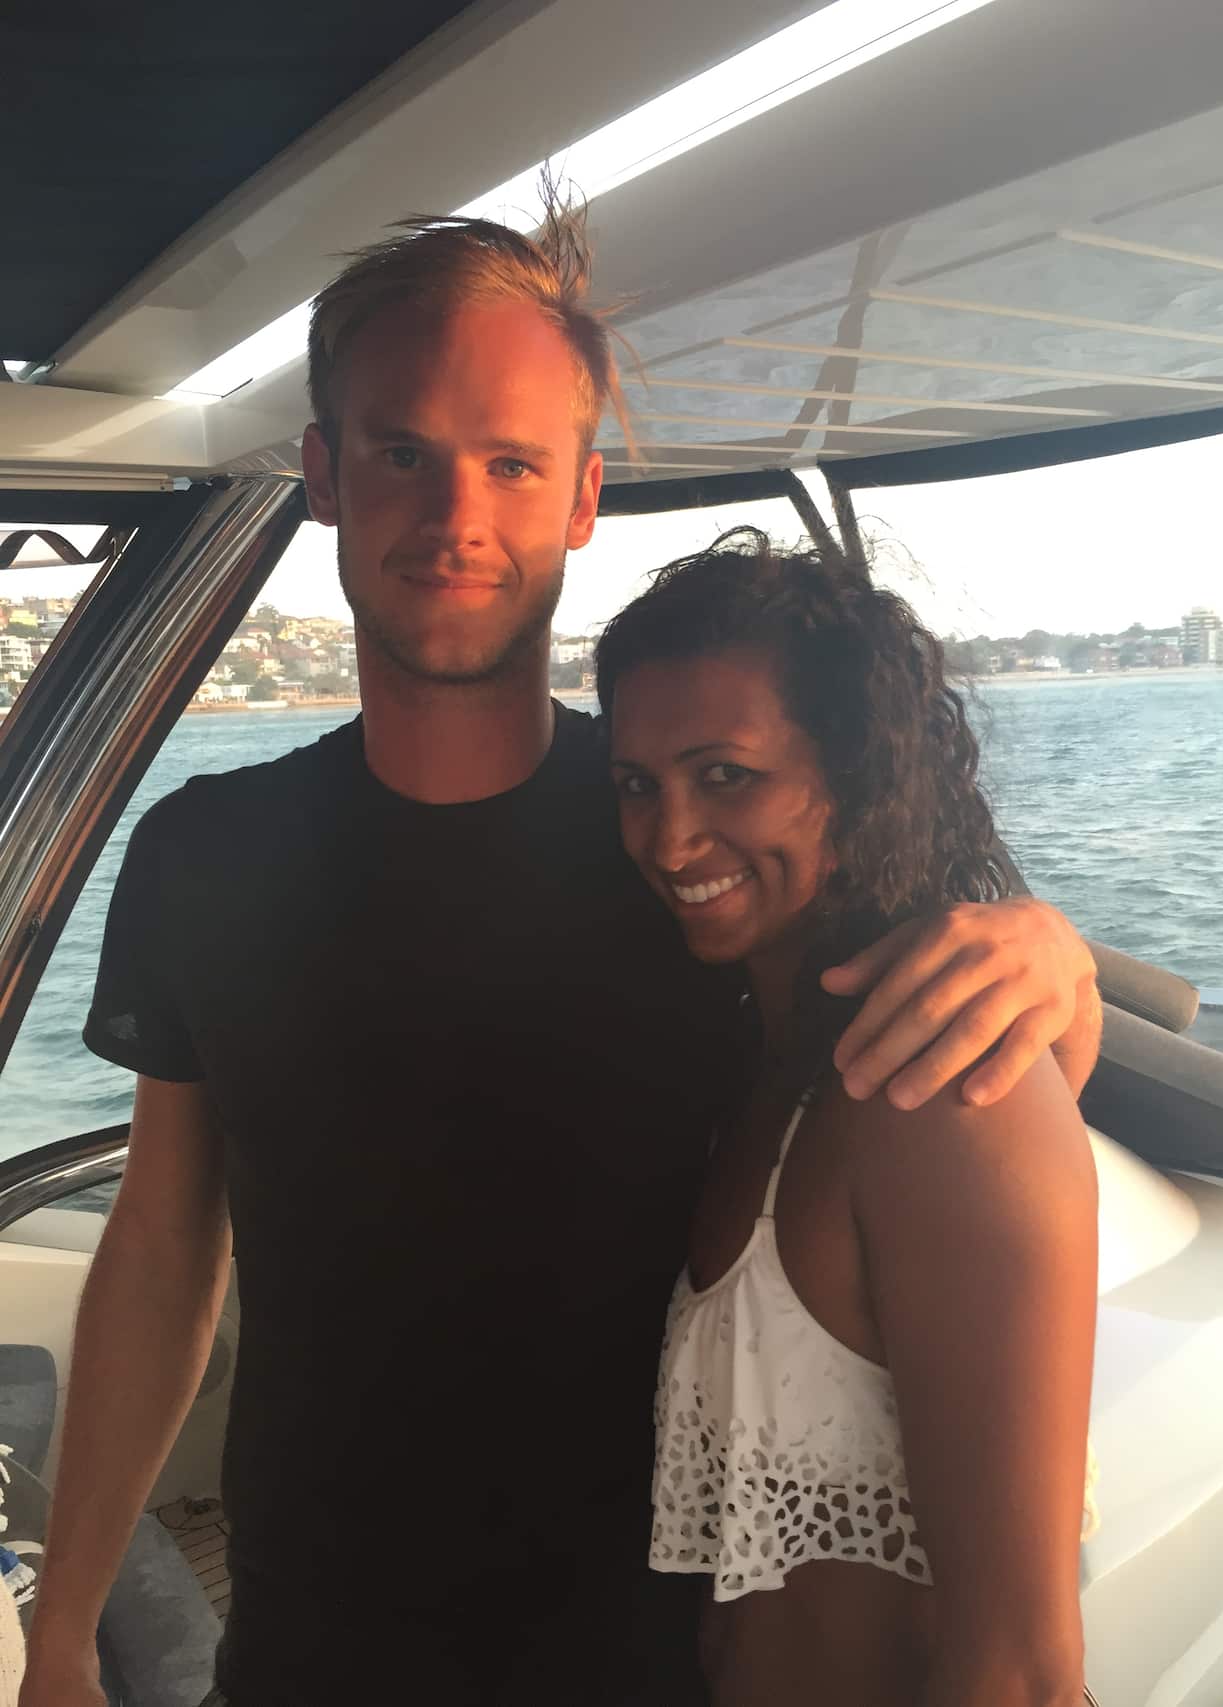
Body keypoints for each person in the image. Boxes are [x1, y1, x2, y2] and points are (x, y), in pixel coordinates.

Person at [20, 197, 1100, 1707]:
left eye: (512, 462)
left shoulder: (679, 854)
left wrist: (1056, 958)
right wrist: (65, 1625)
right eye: (402, 449)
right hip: (309, 1636)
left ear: (582, 497)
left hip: (647, 1649)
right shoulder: (207, 851)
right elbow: (160, 1237)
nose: (456, 512)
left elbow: (925, 1018)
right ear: (323, 474)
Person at [597, 527, 1100, 1707]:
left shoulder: (934, 1100)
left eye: (726, 775)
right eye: (636, 785)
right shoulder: (762, 1067)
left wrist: (1058, 964)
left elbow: (1021, 1672)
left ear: (856, 775)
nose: (669, 838)